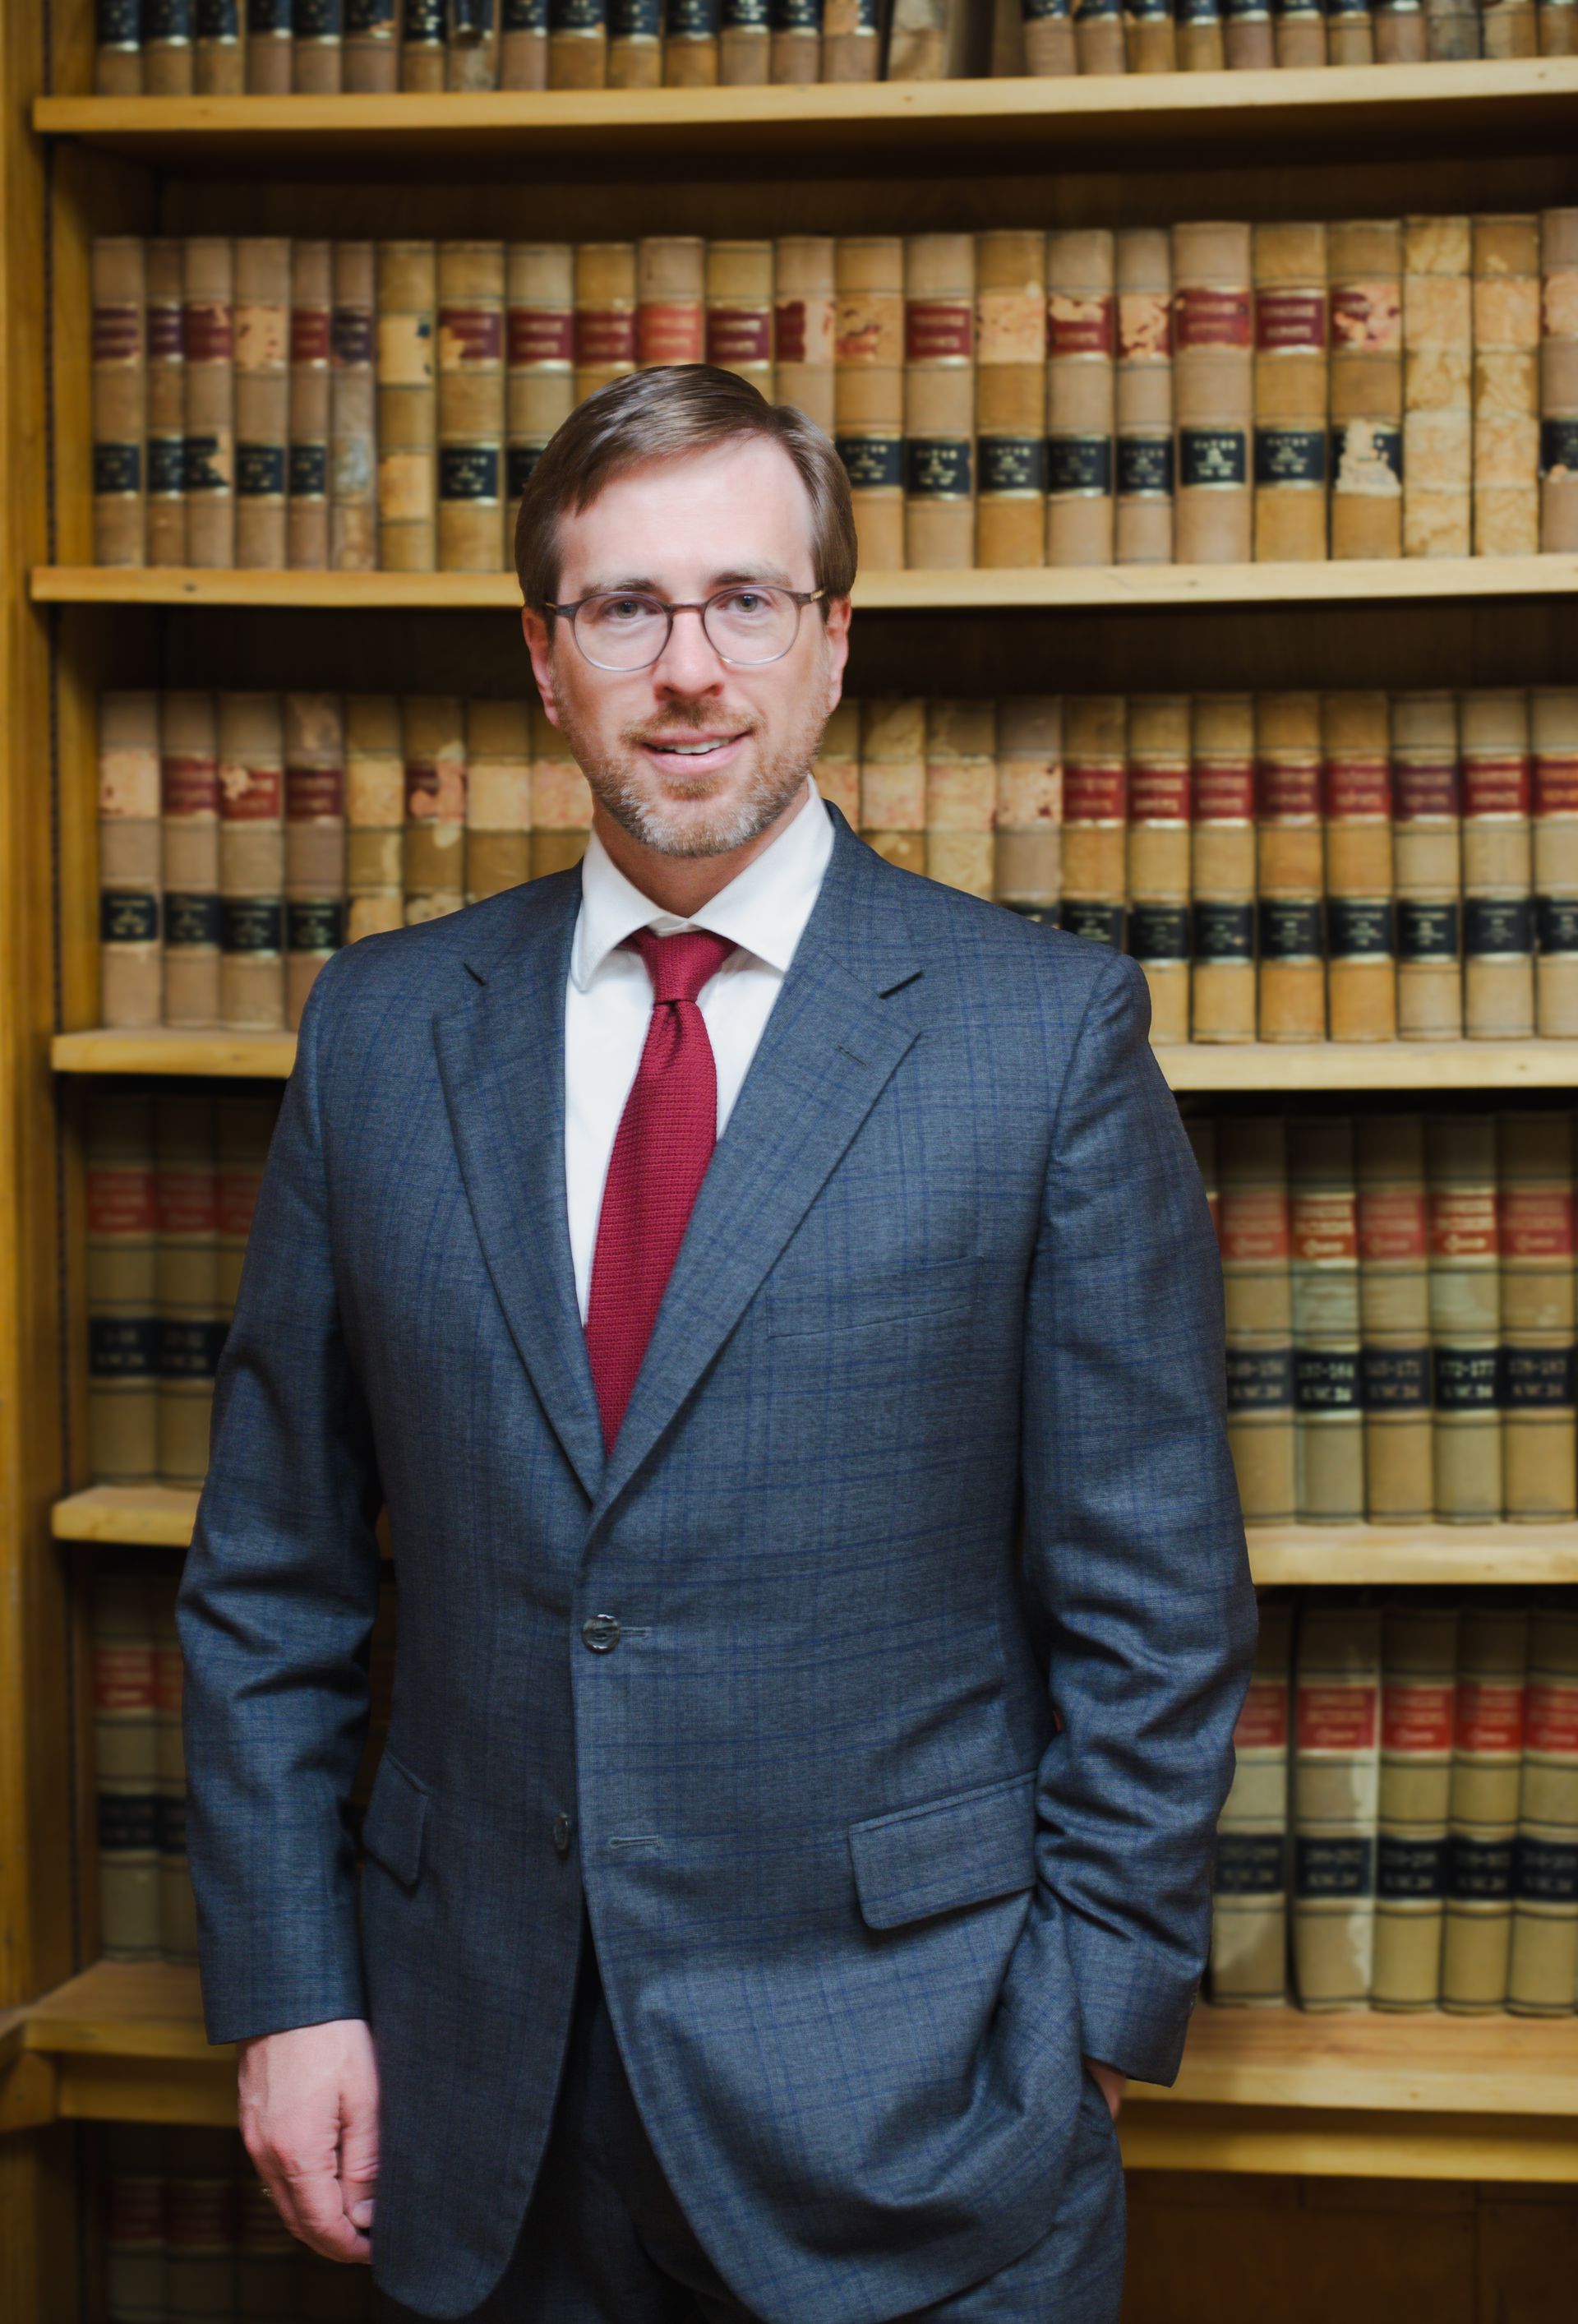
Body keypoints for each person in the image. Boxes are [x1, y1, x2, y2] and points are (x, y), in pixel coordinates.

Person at [177, 363, 1257, 2324]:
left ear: (834, 642)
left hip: (925, 2109)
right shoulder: (380, 1032)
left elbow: (1157, 1593)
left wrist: (1090, 2020)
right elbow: (272, 1578)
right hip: (466, 2095)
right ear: (544, 656)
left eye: (747, 600)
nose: (691, 666)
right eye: (626, 609)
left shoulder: (1042, 1038)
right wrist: (293, 1987)